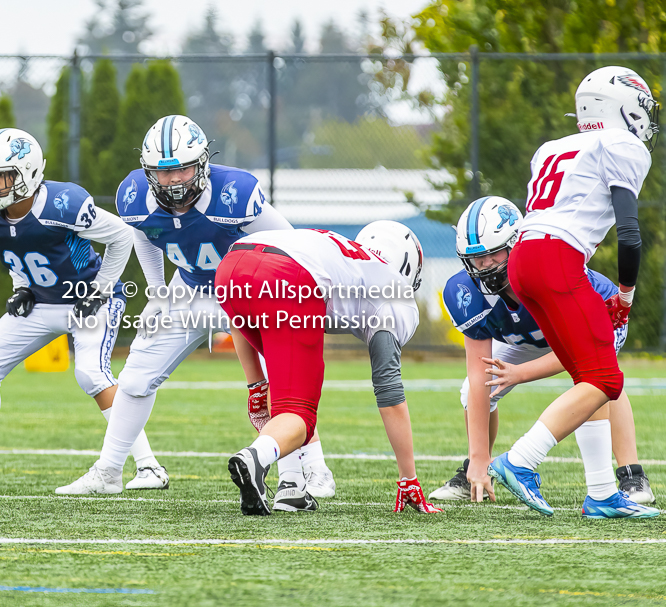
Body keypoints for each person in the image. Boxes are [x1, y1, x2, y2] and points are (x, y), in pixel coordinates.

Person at [55, 115, 336, 498]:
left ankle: (309, 471)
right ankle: (109, 471)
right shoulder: (135, 194)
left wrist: (292, 299)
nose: (171, 180)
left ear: (202, 163)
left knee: (281, 382)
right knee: (136, 377)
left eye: (181, 169)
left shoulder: (233, 192)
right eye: (162, 171)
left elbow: (291, 244)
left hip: (249, 292)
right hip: (188, 290)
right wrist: (157, 292)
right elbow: (144, 233)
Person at [0, 128, 165, 490]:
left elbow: (121, 236)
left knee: (92, 375)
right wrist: (21, 286)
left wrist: (100, 290)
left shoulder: (62, 204)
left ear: (30, 173)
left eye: (1, 177)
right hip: (41, 300)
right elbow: (14, 249)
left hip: (88, 297)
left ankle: (149, 468)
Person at [488, 66, 660, 519]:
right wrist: (624, 294)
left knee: (588, 374)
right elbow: (629, 233)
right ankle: (521, 460)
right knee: (607, 380)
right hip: (556, 259)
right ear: (619, 106)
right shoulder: (623, 145)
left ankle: (602, 493)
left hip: (524, 258)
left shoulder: (554, 147)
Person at [429, 197, 655, 507]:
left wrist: (522, 373)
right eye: (475, 259)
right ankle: (474, 467)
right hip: (522, 340)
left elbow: (580, 351)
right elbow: (479, 371)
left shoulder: (545, 272)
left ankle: (631, 475)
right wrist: (479, 458)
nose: (483, 267)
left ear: (515, 244)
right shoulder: (463, 292)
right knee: (473, 389)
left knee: (599, 381)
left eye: (492, 255)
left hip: (591, 322)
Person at [216, 223, 443, 516]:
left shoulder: (340, 256)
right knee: (300, 414)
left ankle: (292, 487)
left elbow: (244, 315)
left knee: (285, 388)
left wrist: (256, 384)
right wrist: (408, 478)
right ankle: (255, 457)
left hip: (233, 265)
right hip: (288, 275)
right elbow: (388, 389)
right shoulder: (393, 291)